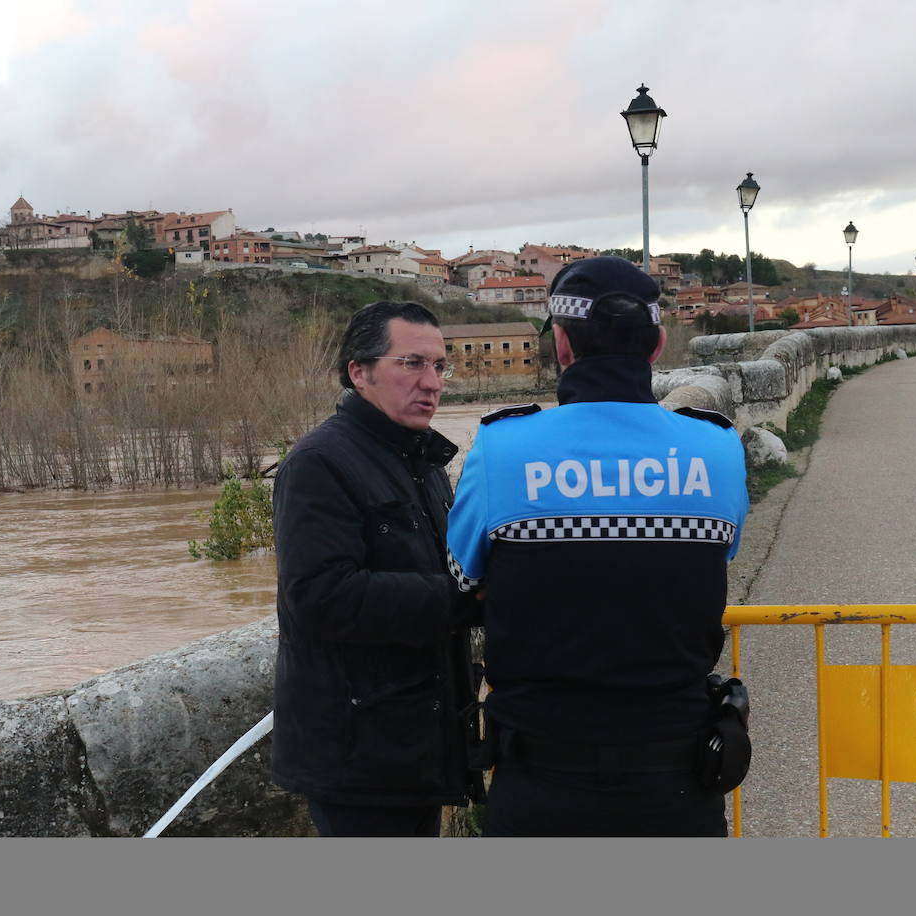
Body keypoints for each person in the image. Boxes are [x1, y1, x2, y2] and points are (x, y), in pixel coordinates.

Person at [446, 256, 749, 836]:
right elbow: (718, 557)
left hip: (540, 779)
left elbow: (463, 577)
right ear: (658, 344)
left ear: (561, 344)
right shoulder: (716, 449)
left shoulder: (502, 446)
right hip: (677, 777)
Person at [271, 300, 480, 837]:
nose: (432, 382)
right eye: (411, 364)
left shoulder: (421, 461)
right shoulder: (320, 463)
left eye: (439, 366)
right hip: (360, 752)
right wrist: (466, 599)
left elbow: (447, 565)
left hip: (415, 741)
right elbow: (321, 597)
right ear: (358, 373)